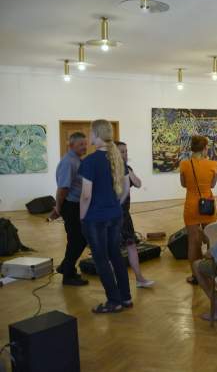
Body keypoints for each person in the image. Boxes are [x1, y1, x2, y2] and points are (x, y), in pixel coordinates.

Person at [79, 120, 131, 314]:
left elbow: (86, 195)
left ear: (97, 134)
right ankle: (125, 298)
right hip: (115, 215)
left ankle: (114, 301)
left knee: (101, 260)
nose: (89, 136)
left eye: (90, 132)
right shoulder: (117, 158)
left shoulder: (90, 161)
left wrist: (82, 217)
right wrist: (115, 204)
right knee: (116, 256)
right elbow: (125, 189)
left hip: (96, 218)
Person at [51, 132, 89, 286]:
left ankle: (67, 268)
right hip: (71, 206)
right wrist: (58, 208)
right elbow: (63, 189)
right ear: (71, 145)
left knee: (78, 239)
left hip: (76, 205)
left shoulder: (77, 159)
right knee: (77, 240)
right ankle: (67, 274)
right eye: (81, 144)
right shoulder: (68, 162)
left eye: (85, 144)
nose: (84, 147)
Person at [180, 135, 217, 285]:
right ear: (204, 148)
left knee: (193, 242)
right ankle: (210, 272)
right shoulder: (213, 164)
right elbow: (213, 185)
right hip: (207, 205)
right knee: (211, 239)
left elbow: (183, 184)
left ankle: (196, 276)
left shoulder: (184, 164)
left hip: (191, 205)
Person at [116, 141, 154, 288]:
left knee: (131, 245)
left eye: (126, 151)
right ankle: (116, 283)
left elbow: (138, 183)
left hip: (125, 215)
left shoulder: (127, 169)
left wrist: (127, 169)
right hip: (112, 215)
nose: (125, 154)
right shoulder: (110, 169)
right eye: (121, 151)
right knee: (114, 249)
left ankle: (139, 278)